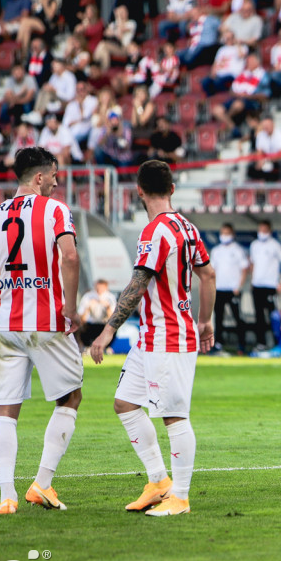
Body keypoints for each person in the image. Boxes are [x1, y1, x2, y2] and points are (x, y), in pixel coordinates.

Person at [0, 146, 83, 515]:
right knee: (70, 398)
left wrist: (4, 285)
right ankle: (41, 485)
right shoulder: (55, 210)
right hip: (46, 322)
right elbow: (71, 256)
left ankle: (6, 496)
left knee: (5, 411)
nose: (57, 183)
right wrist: (72, 307)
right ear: (39, 177)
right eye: (54, 176)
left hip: (4, 326)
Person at [89, 160, 215, 517]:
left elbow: (137, 283)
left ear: (139, 191)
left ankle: (182, 497)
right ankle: (159, 482)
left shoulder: (157, 231)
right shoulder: (187, 228)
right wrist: (205, 321)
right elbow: (208, 275)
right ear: (172, 189)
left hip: (168, 336)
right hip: (153, 335)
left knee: (174, 415)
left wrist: (109, 329)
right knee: (125, 403)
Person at [248, 220, 281, 351]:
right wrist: (252, 280)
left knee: (273, 315)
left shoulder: (275, 245)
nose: (262, 233)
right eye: (260, 230)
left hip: (270, 285)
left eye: (264, 230)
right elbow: (252, 263)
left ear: (270, 231)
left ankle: (277, 342)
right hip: (257, 285)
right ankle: (261, 343)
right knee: (259, 316)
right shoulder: (254, 245)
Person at [210, 223, 248, 354]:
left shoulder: (238, 250)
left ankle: (241, 345)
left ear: (232, 234)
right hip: (219, 289)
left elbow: (244, 269)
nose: (224, 236)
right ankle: (218, 344)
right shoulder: (216, 251)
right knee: (218, 318)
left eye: (227, 233)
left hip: (233, 289)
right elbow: (212, 270)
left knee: (237, 317)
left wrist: (239, 286)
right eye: (222, 233)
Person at [250, 115, 281, 181]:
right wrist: (260, 161)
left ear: (273, 124)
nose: (266, 127)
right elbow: (259, 152)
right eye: (264, 125)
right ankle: (259, 188)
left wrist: (266, 160)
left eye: (268, 125)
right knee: (253, 166)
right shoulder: (261, 135)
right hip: (273, 160)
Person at [78, 279, 116, 347]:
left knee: (113, 327)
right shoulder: (88, 296)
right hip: (90, 325)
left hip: (104, 325)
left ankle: (106, 347)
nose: (99, 290)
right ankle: (86, 346)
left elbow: (113, 319)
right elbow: (82, 318)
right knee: (81, 326)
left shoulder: (110, 297)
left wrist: (107, 308)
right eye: (98, 288)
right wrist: (88, 308)